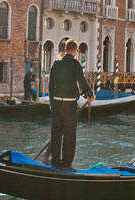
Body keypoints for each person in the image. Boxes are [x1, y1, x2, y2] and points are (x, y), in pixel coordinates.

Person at [47, 40, 94, 172]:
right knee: (69, 135)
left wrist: (51, 102)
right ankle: (66, 164)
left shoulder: (56, 65)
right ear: (75, 51)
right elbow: (82, 81)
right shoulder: (75, 65)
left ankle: (55, 162)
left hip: (56, 102)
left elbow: (51, 86)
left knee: (56, 134)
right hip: (69, 104)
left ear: (66, 50)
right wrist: (91, 93)